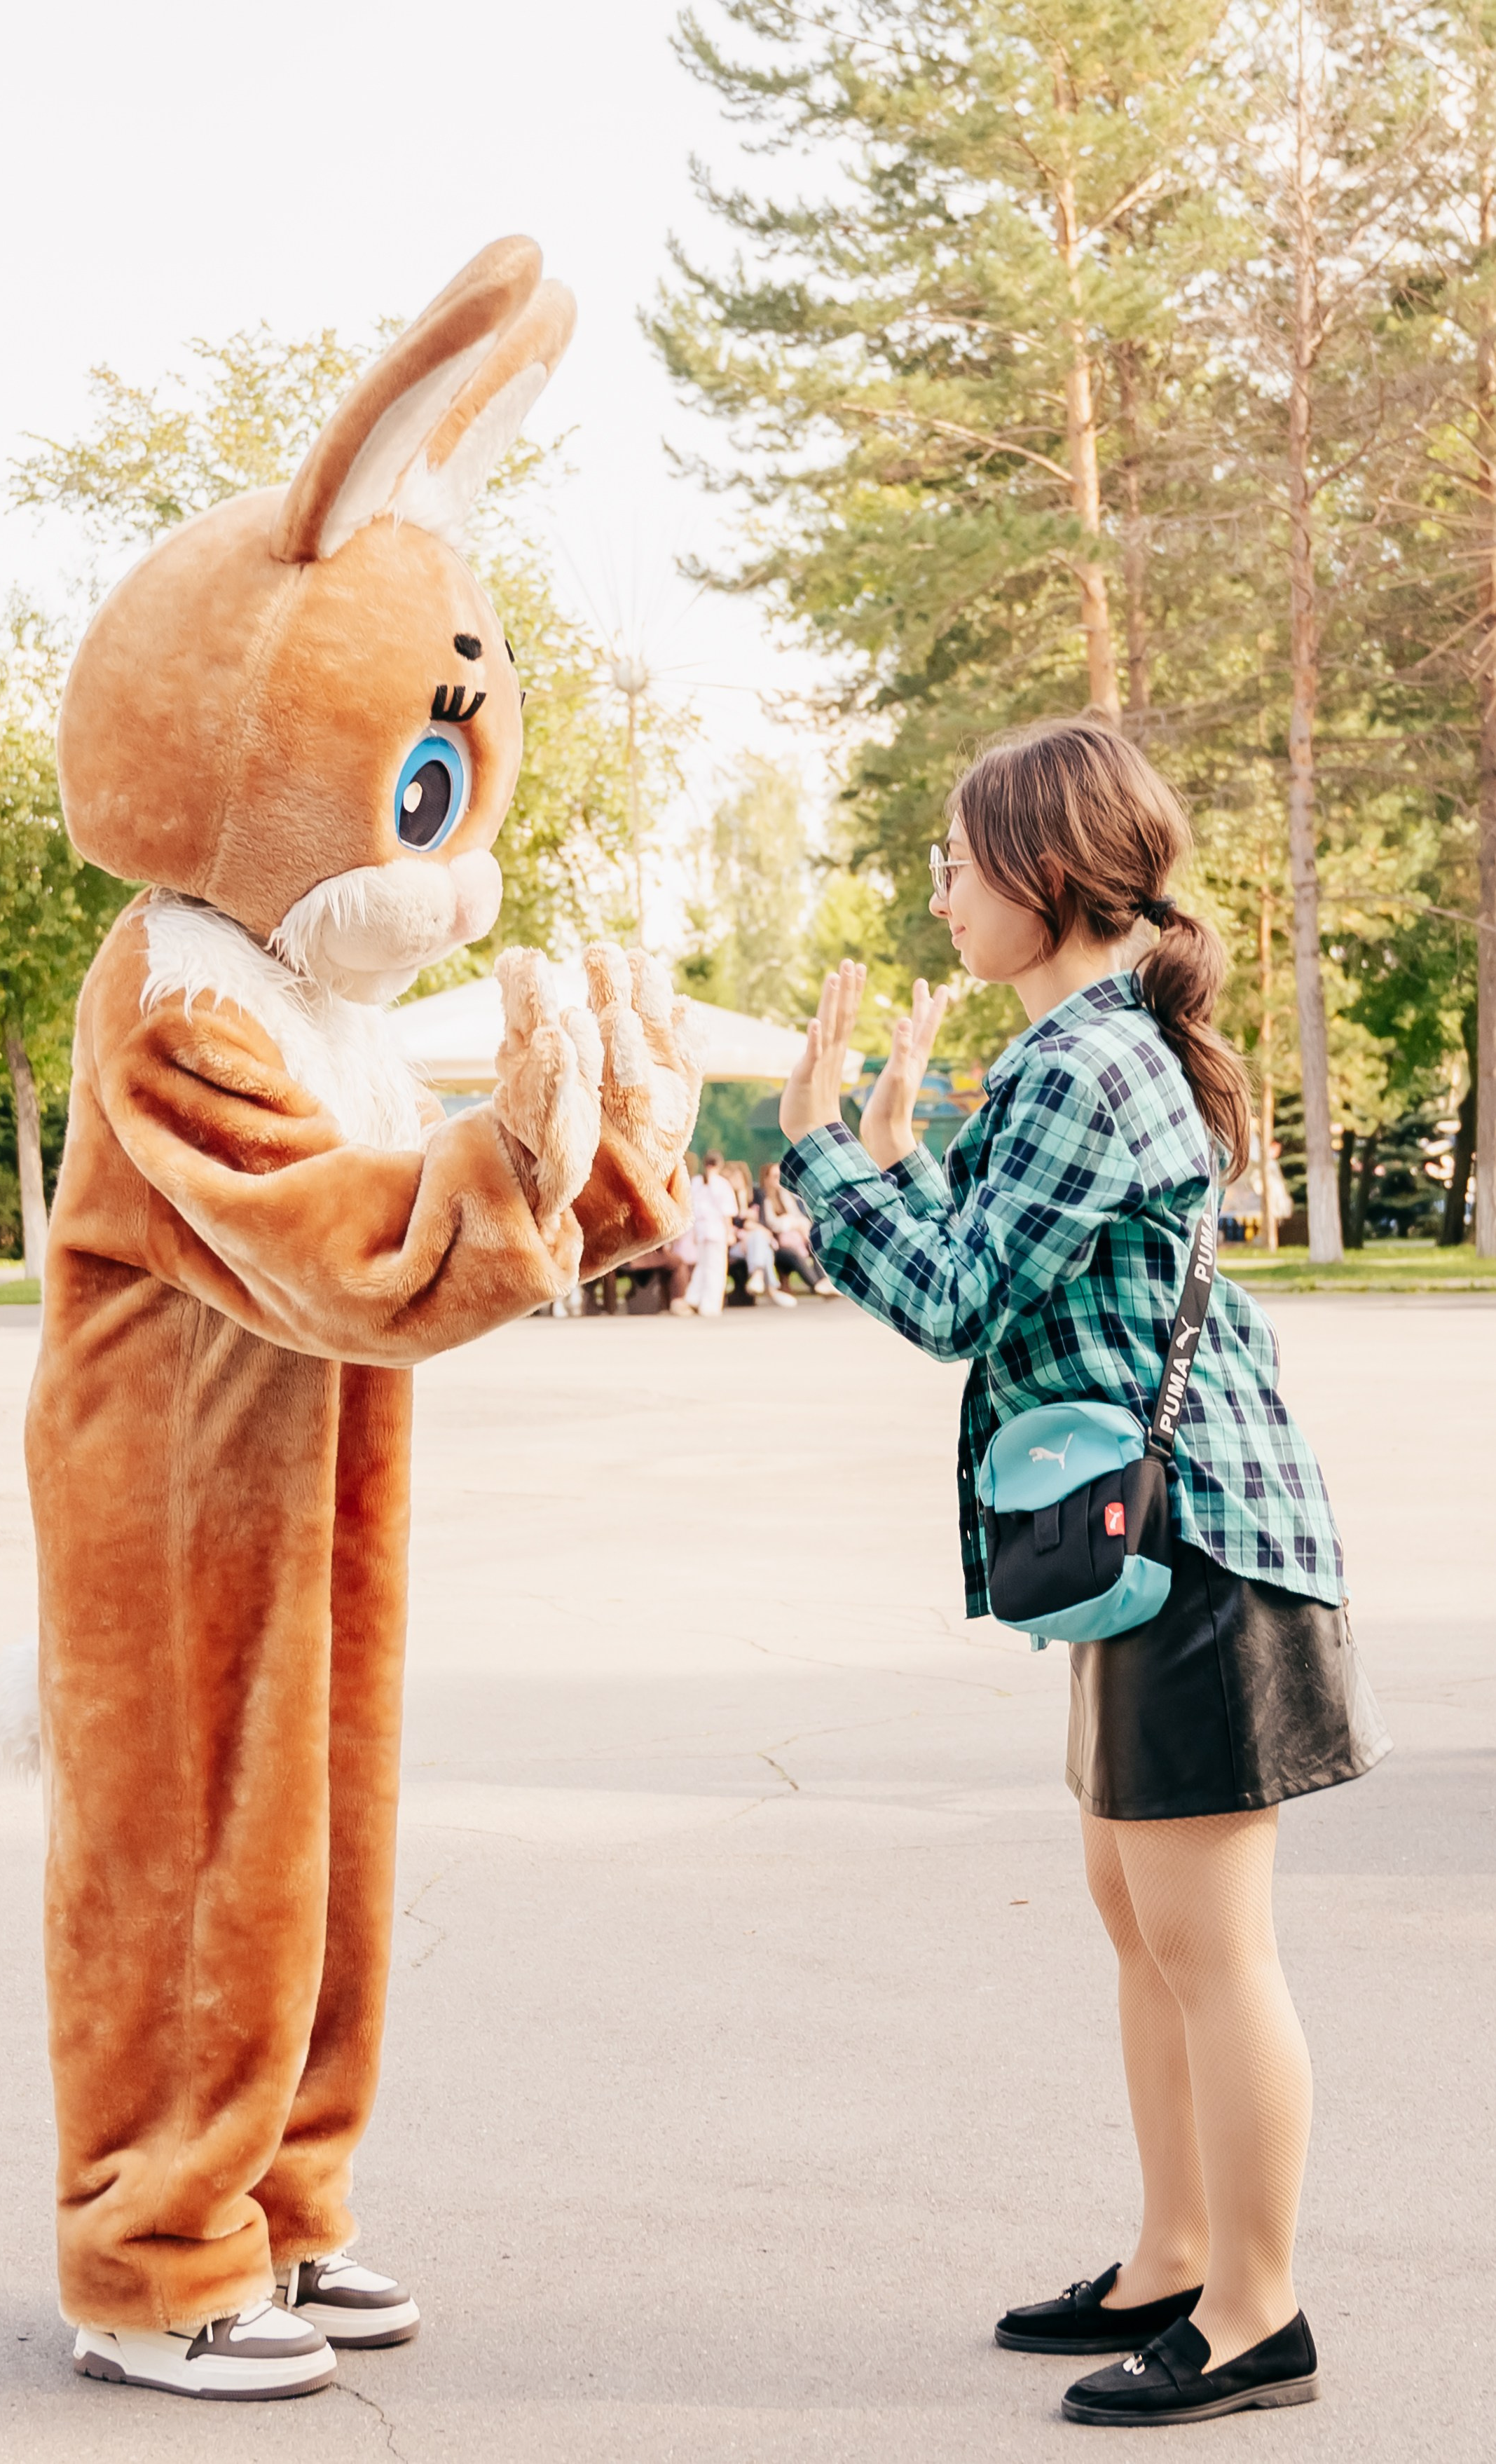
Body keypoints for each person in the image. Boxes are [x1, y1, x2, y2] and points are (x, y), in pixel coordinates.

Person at [777, 719, 1388, 2431]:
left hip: (1197, 1544)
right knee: (1142, 1920)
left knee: (1208, 1941)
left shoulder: (1083, 1066)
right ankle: (1173, 2254)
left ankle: (1258, 2308)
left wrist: (820, 1153)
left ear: (1046, 874)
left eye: (957, 865)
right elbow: (995, 1264)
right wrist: (889, 1155)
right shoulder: (1075, 1053)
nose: (940, 895)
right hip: (1138, 1549)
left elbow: (954, 1300)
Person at [724, 1159, 797, 1308]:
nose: (733, 1182)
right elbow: (733, 1225)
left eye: (736, 1178)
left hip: (753, 1243)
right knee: (762, 1244)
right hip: (736, 1247)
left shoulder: (757, 1195)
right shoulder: (726, 1198)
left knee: (758, 1240)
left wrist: (750, 1229)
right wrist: (748, 1227)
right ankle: (771, 1290)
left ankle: (759, 1277)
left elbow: (763, 1224)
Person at [760, 1161, 837, 1296]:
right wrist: (791, 1223)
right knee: (794, 1254)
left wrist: (793, 1223)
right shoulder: (765, 1199)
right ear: (767, 1179)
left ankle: (825, 1281)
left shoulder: (787, 1196)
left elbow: (800, 1218)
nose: (780, 1181)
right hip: (778, 1245)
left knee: (815, 1246)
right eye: (776, 1177)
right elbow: (772, 1224)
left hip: (797, 1239)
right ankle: (816, 1285)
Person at [685, 1150, 737, 1317]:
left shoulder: (697, 1182)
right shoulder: (722, 1184)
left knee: (702, 1265)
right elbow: (726, 1213)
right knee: (716, 1268)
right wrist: (730, 1233)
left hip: (701, 1230)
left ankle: (694, 1298)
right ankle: (710, 1305)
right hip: (716, 1230)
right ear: (720, 1165)